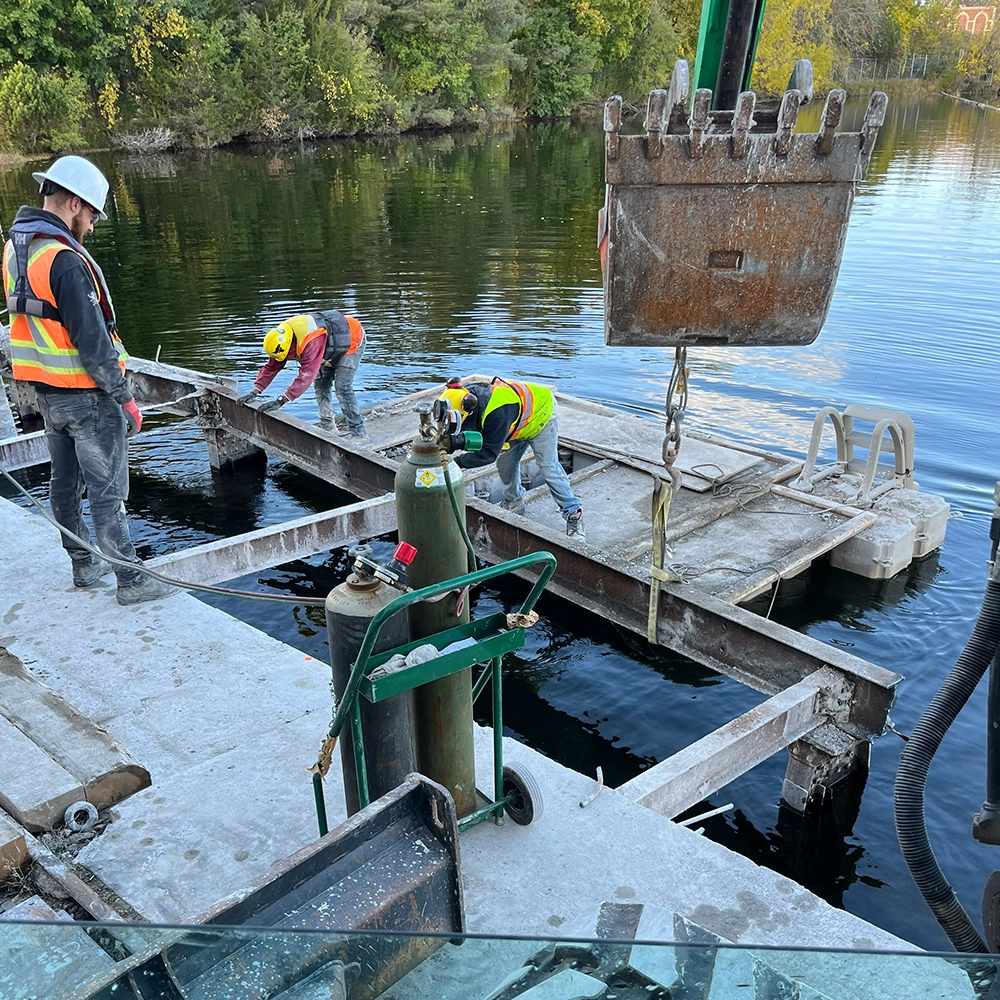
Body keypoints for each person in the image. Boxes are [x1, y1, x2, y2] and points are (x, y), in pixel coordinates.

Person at [2, 156, 177, 606]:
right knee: (107, 489)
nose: (95, 226)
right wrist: (124, 398)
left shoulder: (16, 250)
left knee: (64, 483)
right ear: (75, 203)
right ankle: (132, 582)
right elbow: (93, 343)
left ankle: (84, 565)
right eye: (93, 215)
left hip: (47, 394)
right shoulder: (64, 260)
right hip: (88, 394)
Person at [440, 376, 585, 542]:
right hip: (515, 422)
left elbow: (487, 454)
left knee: (548, 467)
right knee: (505, 464)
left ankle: (574, 514)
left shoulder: (497, 415)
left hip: (541, 416)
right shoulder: (464, 396)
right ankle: (514, 501)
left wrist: (456, 463)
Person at [236, 311, 367, 438]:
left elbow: (307, 375)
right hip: (329, 344)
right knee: (321, 386)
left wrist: (281, 400)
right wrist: (254, 392)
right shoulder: (281, 339)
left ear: (291, 346)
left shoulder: (311, 341)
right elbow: (272, 366)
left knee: (342, 387)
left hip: (352, 338)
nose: (288, 359)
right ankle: (328, 429)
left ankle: (359, 433)